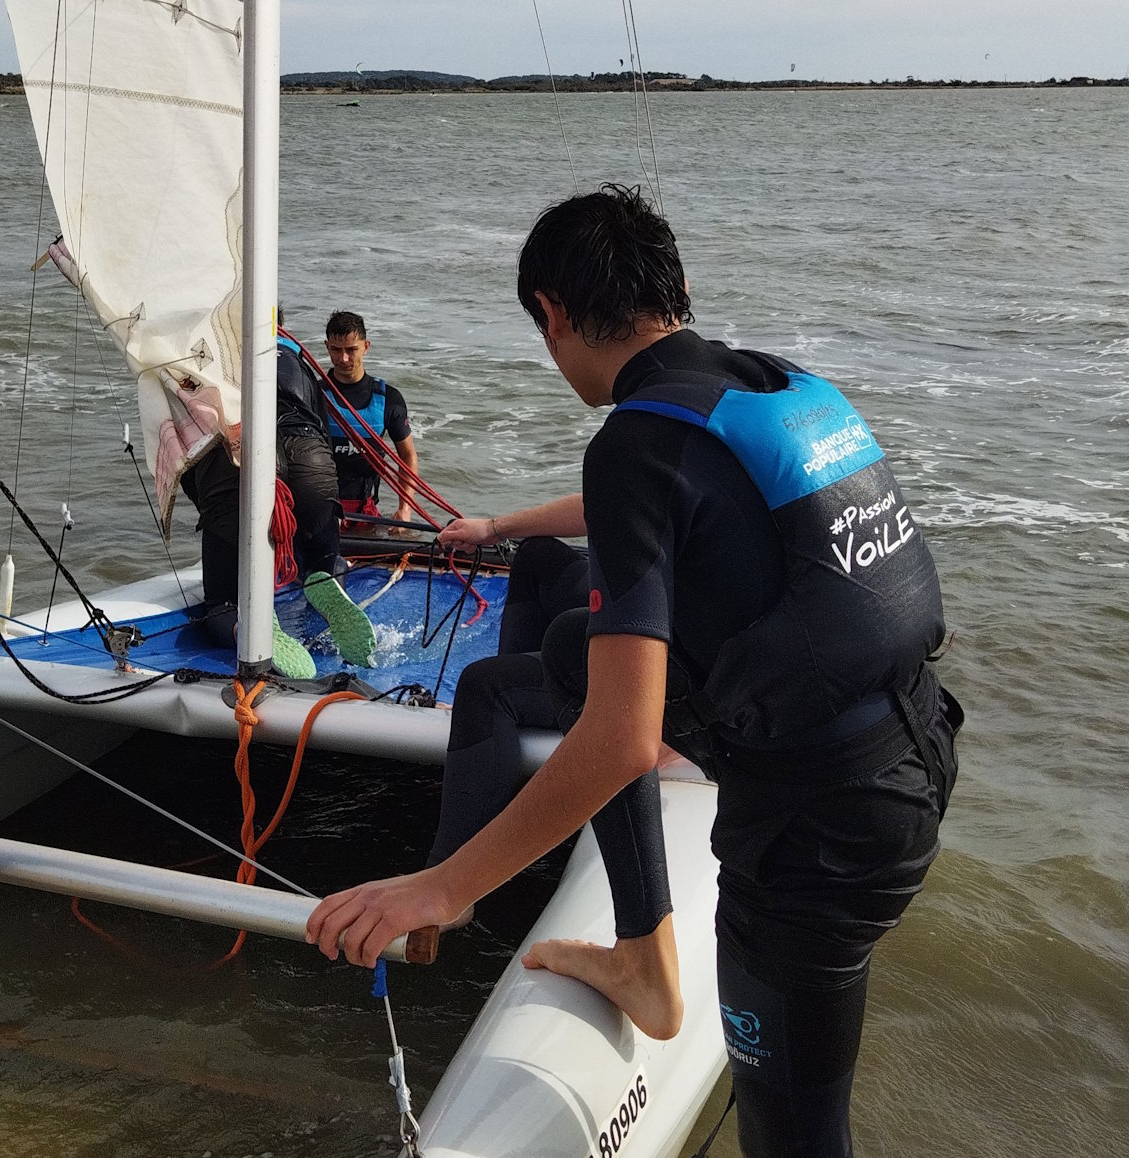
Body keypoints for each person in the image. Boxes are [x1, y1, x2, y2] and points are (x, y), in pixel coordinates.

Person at [306, 185, 962, 1157]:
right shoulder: (777, 387)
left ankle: (654, 969)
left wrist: (444, 885)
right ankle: (647, 952)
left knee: (793, 1133)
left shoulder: (636, 442)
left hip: (813, 832)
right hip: (911, 750)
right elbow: (673, 504)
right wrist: (503, 526)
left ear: (553, 317)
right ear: (677, 288)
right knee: (572, 647)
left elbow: (617, 740)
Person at [180, 334, 376, 676]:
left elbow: (186, 456)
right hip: (310, 457)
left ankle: (249, 630)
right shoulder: (297, 363)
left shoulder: (205, 361)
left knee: (220, 605)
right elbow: (323, 434)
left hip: (234, 460)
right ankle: (328, 581)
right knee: (323, 556)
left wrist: (217, 520)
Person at [321, 311, 419, 527]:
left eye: (351, 350)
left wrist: (405, 509)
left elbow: (408, 457)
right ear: (327, 347)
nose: (344, 358)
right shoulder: (312, 394)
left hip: (364, 512)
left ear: (366, 346)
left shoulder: (389, 399)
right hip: (320, 510)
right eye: (336, 350)